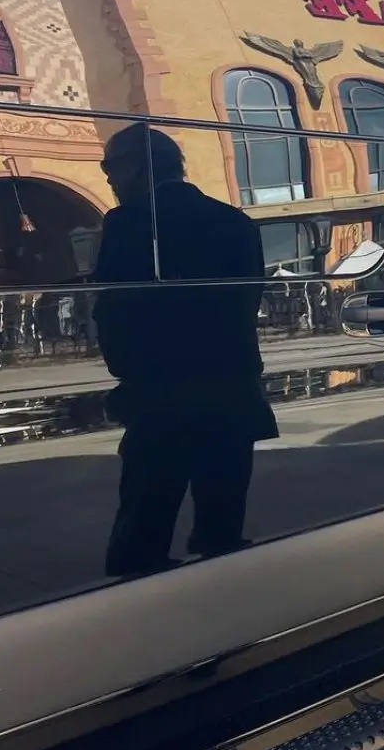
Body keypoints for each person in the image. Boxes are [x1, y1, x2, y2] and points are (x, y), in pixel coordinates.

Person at [93, 123, 277, 577]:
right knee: (222, 528)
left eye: (110, 167)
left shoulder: (127, 222)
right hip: (232, 392)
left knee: (140, 533)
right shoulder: (236, 222)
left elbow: (113, 309)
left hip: (162, 397)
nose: (109, 180)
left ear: (138, 164)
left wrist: (126, 371)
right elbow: (247, 301)